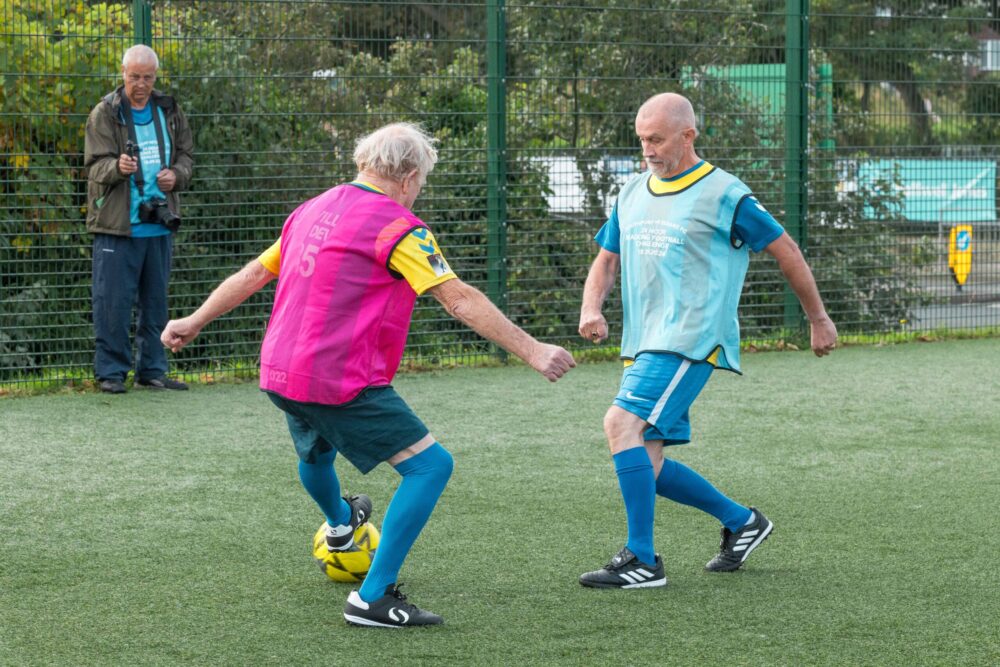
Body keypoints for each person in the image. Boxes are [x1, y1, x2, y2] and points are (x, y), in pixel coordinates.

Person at [160, 123, 576, 627]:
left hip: (277, 369)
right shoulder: (399, 227)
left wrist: (193, 319)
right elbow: (458, 299)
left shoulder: (311, 209)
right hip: (337, 378)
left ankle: (340, 525)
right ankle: (372, 598)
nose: (420, 188)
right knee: (430, 467)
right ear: (407, 175)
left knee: (315, 452)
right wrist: (533, 350)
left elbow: (256, 272)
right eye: (422, 179)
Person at [577, 93, 837, 589]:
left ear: (688, 135)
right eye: (641, 139)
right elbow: (607, 259)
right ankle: (742, 521)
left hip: (691, 338)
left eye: (656, 139)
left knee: (619, 424)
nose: (647, 149)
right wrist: (592, 308)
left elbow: (787, 251)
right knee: (646, 460)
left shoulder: (725, 194)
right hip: (646, 340)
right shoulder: (631, 191)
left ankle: (642, 560)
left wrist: (818, 319)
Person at [84, 44, 194, 394]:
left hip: (159, 223)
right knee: (112, 302)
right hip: (118, 224)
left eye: (147, 77)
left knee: (156, 301)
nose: (141, 84)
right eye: (134, 77)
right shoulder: (105, 112)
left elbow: (187, 157)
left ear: (155, 77)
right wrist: (117, 167)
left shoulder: (170, 110)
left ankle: (153, 370)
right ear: (123, 73)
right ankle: (112, 374)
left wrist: (176, 175)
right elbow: (92, 167)